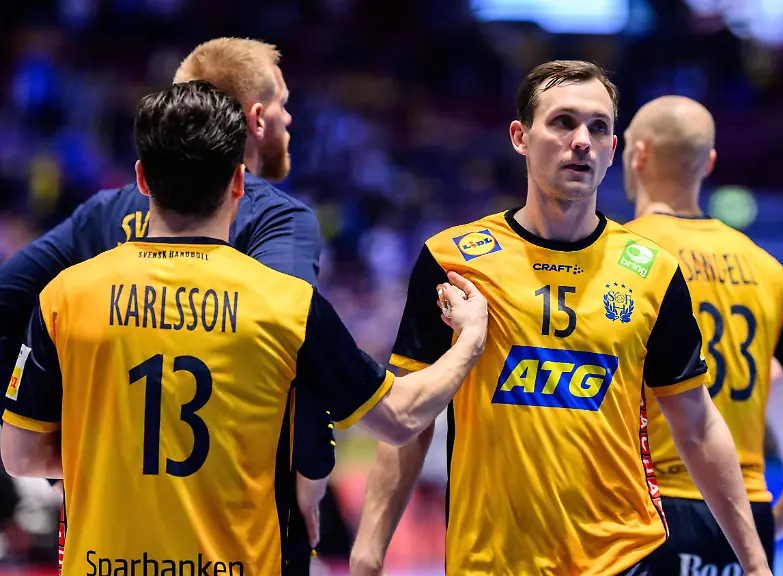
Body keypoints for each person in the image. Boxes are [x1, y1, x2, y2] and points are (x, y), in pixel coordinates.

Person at [0, 80, 488, 576]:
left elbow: (19, 457)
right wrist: (469, 339)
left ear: (142, 180)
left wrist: (107, 453)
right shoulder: (286, 303)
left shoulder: (64, 295)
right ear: (238, 182)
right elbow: (401, 418)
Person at [350, 61, 771, 576]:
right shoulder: (453, 259)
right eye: (562, 122)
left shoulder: (653, 270)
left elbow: (698, 423)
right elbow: (409, 419)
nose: (581, 141)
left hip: (621, 558)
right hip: (490, 561)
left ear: (615, 150)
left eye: (598, 127)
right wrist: (368, 551)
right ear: (520, 137)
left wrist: (755, 564)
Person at [0, 37, 331, 572]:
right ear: (254, 119)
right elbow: (298, 350)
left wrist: (51, 429)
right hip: (235, 522)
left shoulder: (103, 213)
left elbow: (4, 304)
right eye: (282, 103)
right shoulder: (278, 219)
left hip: (113, 521)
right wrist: (312, 473)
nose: (289, 117)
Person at [619, 96, 783, 575]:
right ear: (709, 162)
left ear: (637, 154)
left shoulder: (621, 253)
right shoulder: (766, 267)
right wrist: (782, 518)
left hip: (642, 511)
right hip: (744, 515)